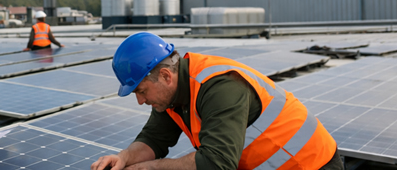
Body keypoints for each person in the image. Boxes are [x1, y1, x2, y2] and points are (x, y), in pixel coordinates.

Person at [91, 32, 343, 170]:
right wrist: (123, 158)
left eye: (141, 91)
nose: (140, 101)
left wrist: (150, 168)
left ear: (166, 76)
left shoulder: (220, 87)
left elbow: (217, 163)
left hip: (312, 164)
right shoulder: (170, 96)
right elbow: (154, 139)